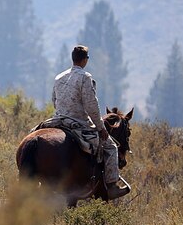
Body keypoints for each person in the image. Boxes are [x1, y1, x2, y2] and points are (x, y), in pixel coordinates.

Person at [52, 45, 130, 199]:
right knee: (111, 147)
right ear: (85, 60)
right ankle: (112, 186)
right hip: (78, 122)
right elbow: (91, 106)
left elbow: (54, 101)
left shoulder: (59, 77)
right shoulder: (85, 77)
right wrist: (101, 128)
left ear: (73, 58)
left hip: (58, 120)